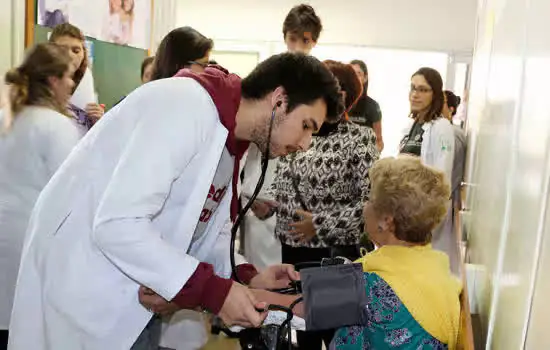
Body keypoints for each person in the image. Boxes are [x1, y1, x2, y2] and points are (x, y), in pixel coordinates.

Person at [8, 51, 344, 350]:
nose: (305, 144)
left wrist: (246, 276)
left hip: (130, 297)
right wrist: (214, 293)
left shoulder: (229, 141)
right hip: (82, 283)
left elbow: (205, 232)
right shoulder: (185, 105)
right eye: (306, 126)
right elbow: (117, 224)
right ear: (279, 100)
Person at [253, 157, 462, 349]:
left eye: (370, 199)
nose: (364, 206)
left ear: (386, 221)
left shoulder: (372, 286)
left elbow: (287, 307)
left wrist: (241, 288)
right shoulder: (437, 270)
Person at [269, 60, 379, 350]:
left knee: (335, 337)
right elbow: (281, 179)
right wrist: (270, 204)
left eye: (336, 88)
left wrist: (317, 224)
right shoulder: (297, 128)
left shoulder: (360, 138)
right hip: (293, 251)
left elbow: (372, 205)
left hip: (334, 254)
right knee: (301, 331)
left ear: (347, 96)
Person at [0, 43, 82, 350]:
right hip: (31, 245)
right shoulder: (58, 127)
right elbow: (72, 199)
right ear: (53, 81)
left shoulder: (4, 118)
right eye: (69, 77)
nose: (72, 85)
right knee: (27, 331)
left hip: (5, 237)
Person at [242, 3, 323, 270]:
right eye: (292, 38)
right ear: (284, 36)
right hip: (262, 180)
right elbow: (252, 136)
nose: (298, 46)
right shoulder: (270, 73)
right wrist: (249, 194)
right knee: (258, 262)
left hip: (300, 189)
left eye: (306, 40)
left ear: (314, 41)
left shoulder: (319, 82)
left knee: (293, 271)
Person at [399, 67, 459, 274]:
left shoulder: (441, 127)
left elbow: (441, 177)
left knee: (420, 271)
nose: (415, 94)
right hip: (406, 210)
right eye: (413, 88)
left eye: (423, 89)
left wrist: (426, 218)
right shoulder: (413, 126)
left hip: (424, 214)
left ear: (435, 94)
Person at [49, 23, 104, 133]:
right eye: (62, 49)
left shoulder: (86, 87)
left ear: (83, 54)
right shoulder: (37, 86)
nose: (69, 55)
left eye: (76, 51)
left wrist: (98, 121)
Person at [349, 59, 384, 152]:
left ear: (365, 78)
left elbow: (379, 141)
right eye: (351, 73)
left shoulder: (373, 106)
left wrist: (372, 156)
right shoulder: (338, 104)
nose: (354, 77)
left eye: (358, 73)